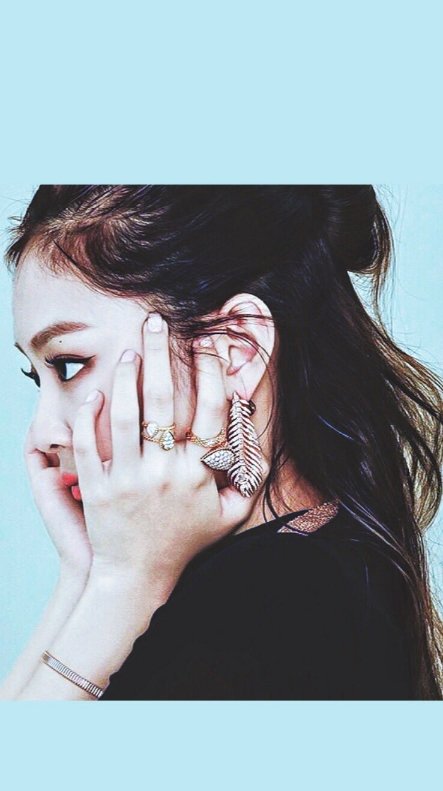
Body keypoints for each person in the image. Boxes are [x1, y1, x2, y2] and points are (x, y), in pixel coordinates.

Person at [0, 185, 442, 700]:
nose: (44, 434)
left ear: (234, 352)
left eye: (68, 365)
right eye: (37, 378)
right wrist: (86, 575)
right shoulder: (309, 568)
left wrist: (124, 582)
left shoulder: (273, 607)